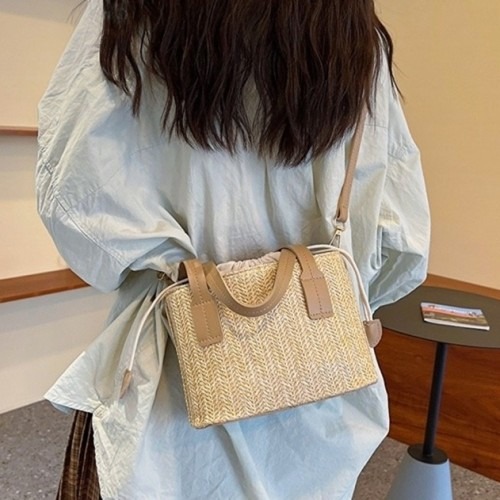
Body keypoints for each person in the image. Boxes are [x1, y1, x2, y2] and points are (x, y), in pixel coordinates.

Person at [36, 1, 430, 499]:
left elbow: (71, 201)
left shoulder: (132, 14)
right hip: (317, 405)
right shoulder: (354, 36)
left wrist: (165, 261)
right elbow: (401, 243)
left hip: (166, 396)